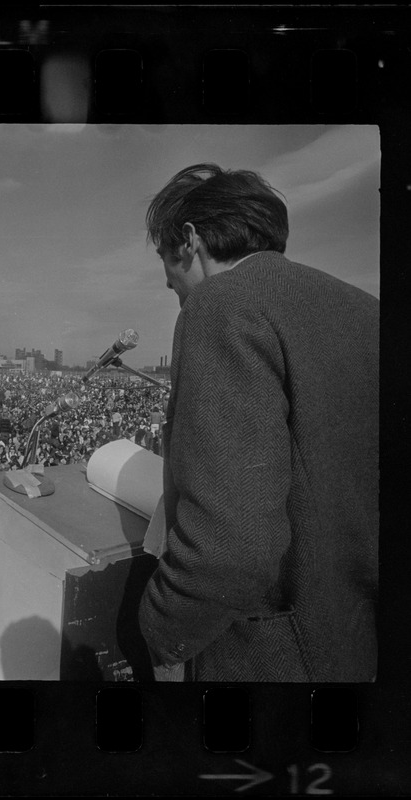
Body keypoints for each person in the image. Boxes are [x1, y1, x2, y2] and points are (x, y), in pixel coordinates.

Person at [136, 163, 379, 682]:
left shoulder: (221, 304)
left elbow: (230, 551)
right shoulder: (365, 309)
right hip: (355, 637)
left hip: (271, 660)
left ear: (190, 239)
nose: (168, 283)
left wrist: (160, 628)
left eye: (166, 263)